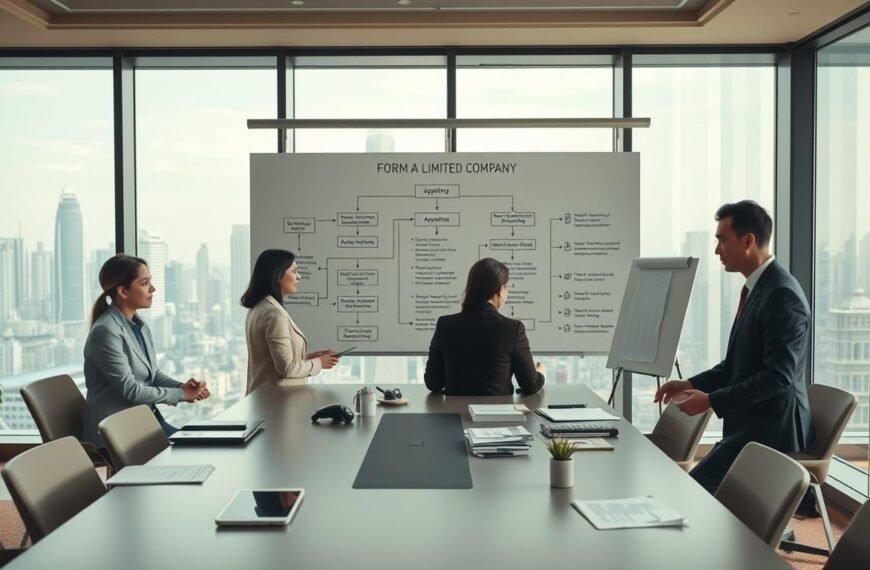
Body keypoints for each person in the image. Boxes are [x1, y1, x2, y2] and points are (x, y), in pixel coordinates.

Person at [654, 200, 811, 494]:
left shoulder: (782, 296)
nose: (717, 250)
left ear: (749, 240)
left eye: (722, 240)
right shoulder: (759, 289)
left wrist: (712, 400)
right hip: (748, 426)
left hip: (771, 434)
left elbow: (779, 377)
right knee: (692, 491)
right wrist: (689, 383)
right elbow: (736, 365)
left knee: (693, 494)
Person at [83, 254, 209, 449]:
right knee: (193, 450)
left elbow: (153, 373)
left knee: (201, 445)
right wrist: (180, 395)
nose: (153, 289)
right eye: (145, 283)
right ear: (123, 291)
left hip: (145, 420)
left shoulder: (138, 325)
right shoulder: (106, 332)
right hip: (119, 431)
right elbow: (130, 390)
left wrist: (182, 387)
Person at [424, 257, 545, 396]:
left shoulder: (445, 324)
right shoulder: (513, 329)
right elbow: (531, 385)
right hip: (498, 416)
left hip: (454, 416)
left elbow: (433, 383)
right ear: (500, 290)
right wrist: (541, 372)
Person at [242, 249, 338, 395]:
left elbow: (270, 362)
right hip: (276, 403)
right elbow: (286, 369)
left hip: (266, 400)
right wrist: (319, 363)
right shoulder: (274, 314)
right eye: (294, 271)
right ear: (277, 275)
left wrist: (307, 358)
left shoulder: (259, 308)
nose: (298, 276)